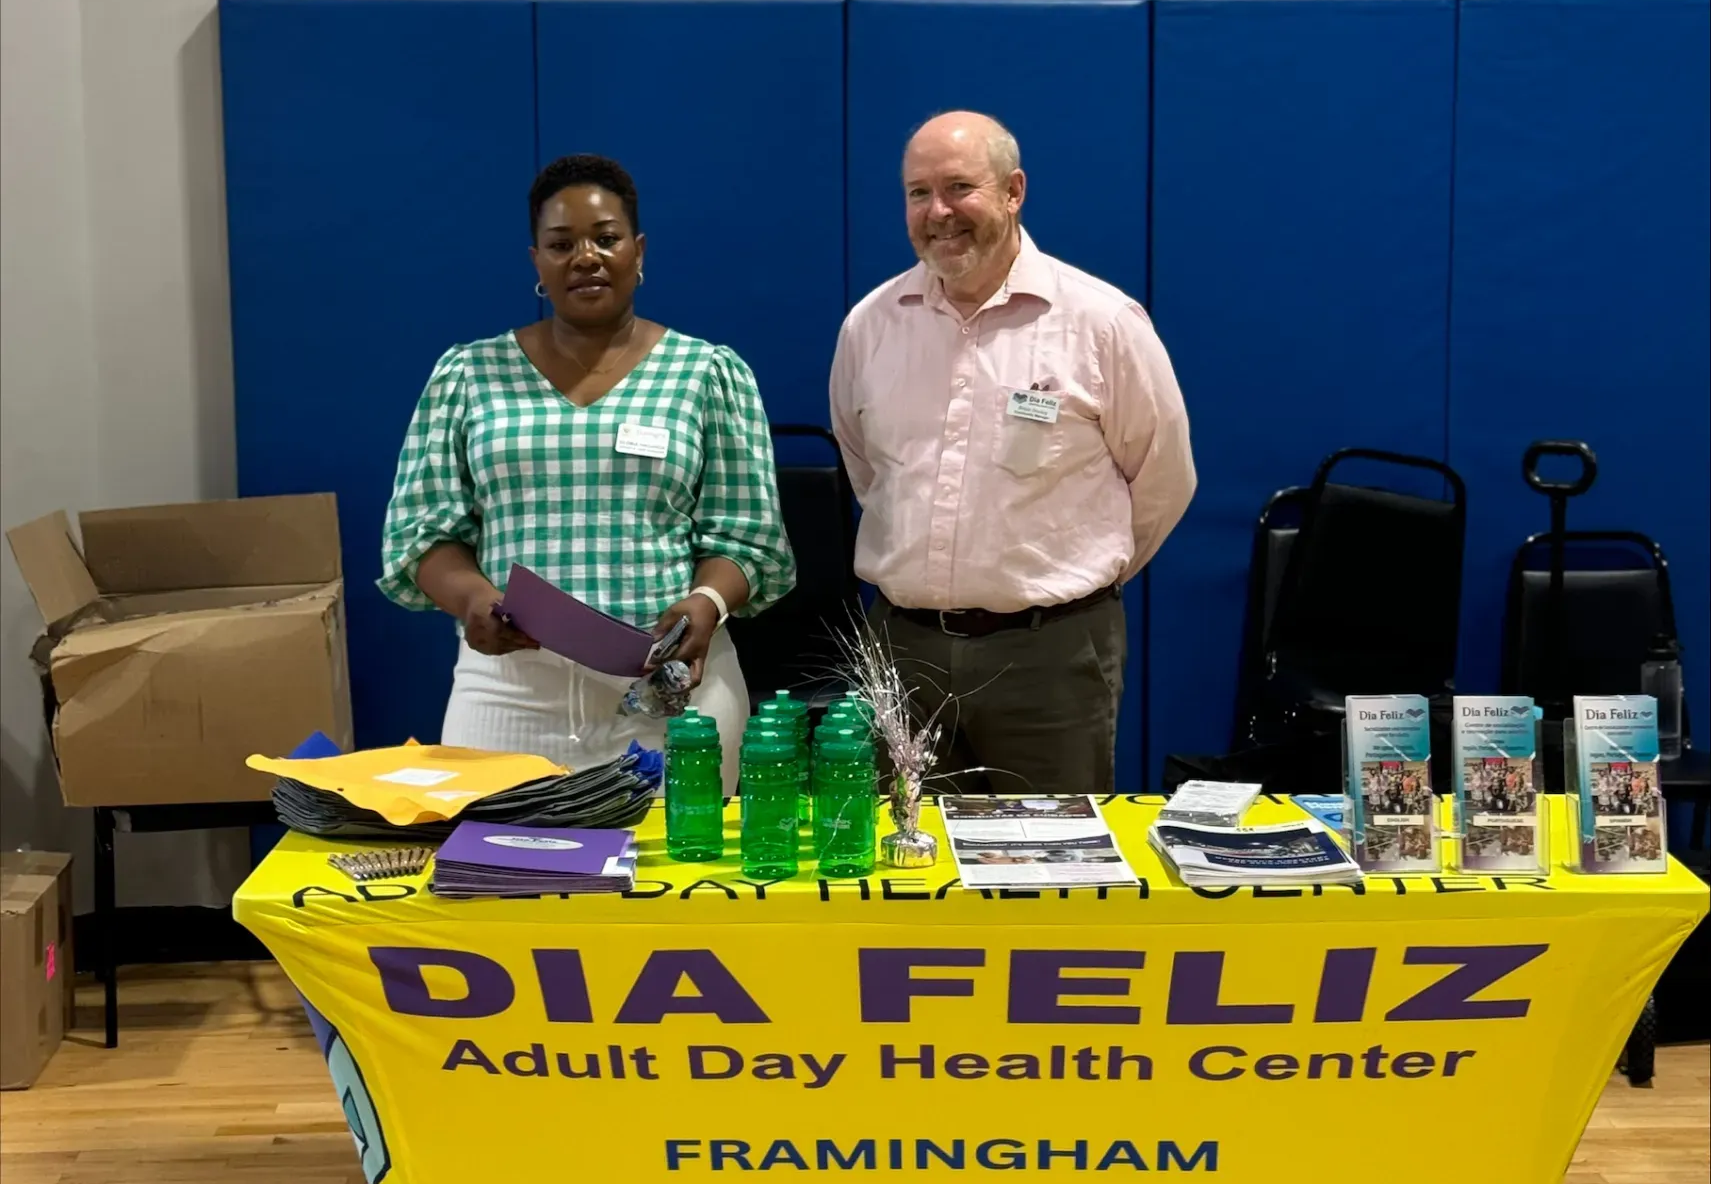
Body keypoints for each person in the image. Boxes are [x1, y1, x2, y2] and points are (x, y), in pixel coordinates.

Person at [380, 152, 794, 796]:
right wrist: (470, 600)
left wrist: (708, 602)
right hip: (511, 695)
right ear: (536, 263)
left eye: (606, 239)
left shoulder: (708, 373)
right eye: (561, 243)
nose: (586, 257)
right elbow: (422, 533)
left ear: (638, 250)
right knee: (507, 884)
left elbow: (749, 540)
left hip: (674, 692)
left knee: (680, 884)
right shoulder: (467, 375)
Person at [830, 110, 1194, 794]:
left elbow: (1162, 480)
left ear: (1012, 191)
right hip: (902, 653)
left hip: (1049, 657)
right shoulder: (869, 327)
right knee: (904, 875)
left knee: (1052, 877)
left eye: (958, 187)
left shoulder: (1101, 323)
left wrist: (1063, 585)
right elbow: (870, 473)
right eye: (917, 192)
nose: (937, 212)